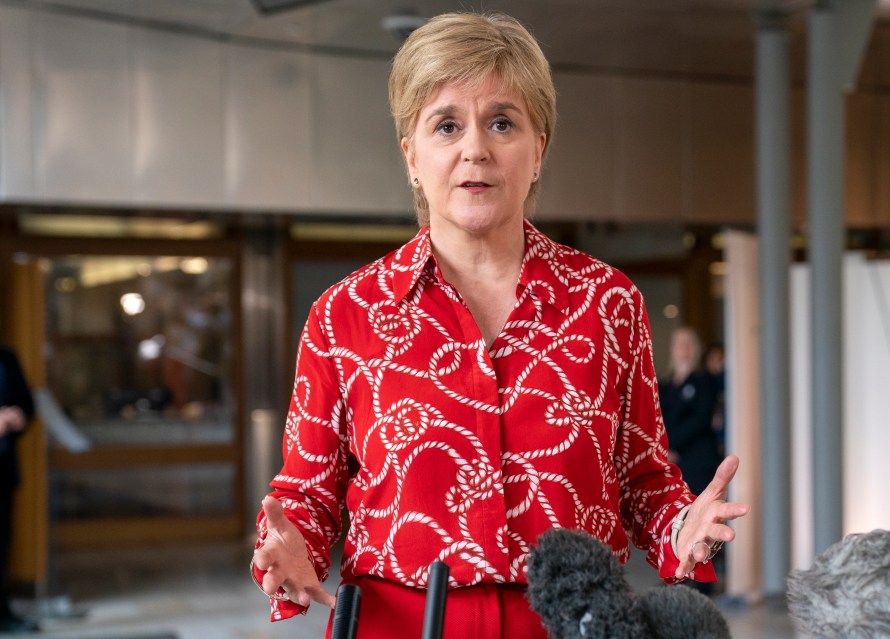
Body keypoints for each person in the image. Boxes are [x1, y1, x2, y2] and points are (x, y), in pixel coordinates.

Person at [251, 12, 749, 638]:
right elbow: (307, 492)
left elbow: (643, 477)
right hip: (400, 625)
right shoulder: (343, 314)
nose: (475, 148)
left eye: (503, 122)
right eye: (447, 125)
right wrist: (288, 542)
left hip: (572, 624)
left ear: (538, 151)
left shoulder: (607, 303)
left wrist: (684, 529)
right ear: (412, 156)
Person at [0, 344, 37, 634]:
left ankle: (3, 613)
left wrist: (20, 416)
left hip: (3, 468)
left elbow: (26, 402)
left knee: (1, 544)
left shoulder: (7, 356)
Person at [660, 328, 721, 498]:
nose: (683, 348)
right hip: (668, 464)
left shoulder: (705, 381)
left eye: (688, 343)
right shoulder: (663, 385)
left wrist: (671, 444)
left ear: (696, 348)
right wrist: (663, 449)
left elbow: (700, 419)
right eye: (679, 343)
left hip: (696, 461)